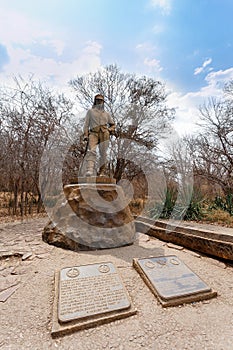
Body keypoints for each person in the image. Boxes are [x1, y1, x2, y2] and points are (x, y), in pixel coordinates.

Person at [83, 94, 115, 177]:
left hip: (104, 134)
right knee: (91, 151)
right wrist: (86, 135)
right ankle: (89, 170)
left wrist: (109, 130)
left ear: (103, 102)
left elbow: (113, 125)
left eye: (101, 101)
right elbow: (86, 124)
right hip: (93, 133)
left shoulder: (106, 114)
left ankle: (101, 172)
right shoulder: (90, 111)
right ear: (95, 101)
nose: (99, 102)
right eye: (97, 100)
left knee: (103, 153)